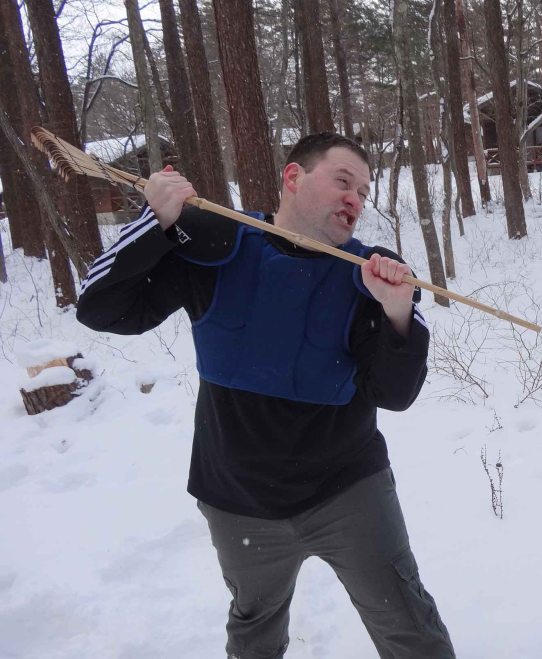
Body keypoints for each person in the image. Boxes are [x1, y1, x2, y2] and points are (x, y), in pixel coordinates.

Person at [77, 133, 455, 659]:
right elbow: (103, 310)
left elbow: (393, 394)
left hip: (349, 492)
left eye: (364, 193)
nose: (355, 199)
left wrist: (396, 311)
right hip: (238, 502)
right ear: (293, 177)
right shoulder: (217, 244)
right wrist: (154, 222)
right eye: (343, 181)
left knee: (409, 626)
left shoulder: (369, 271)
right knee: (254, 632)